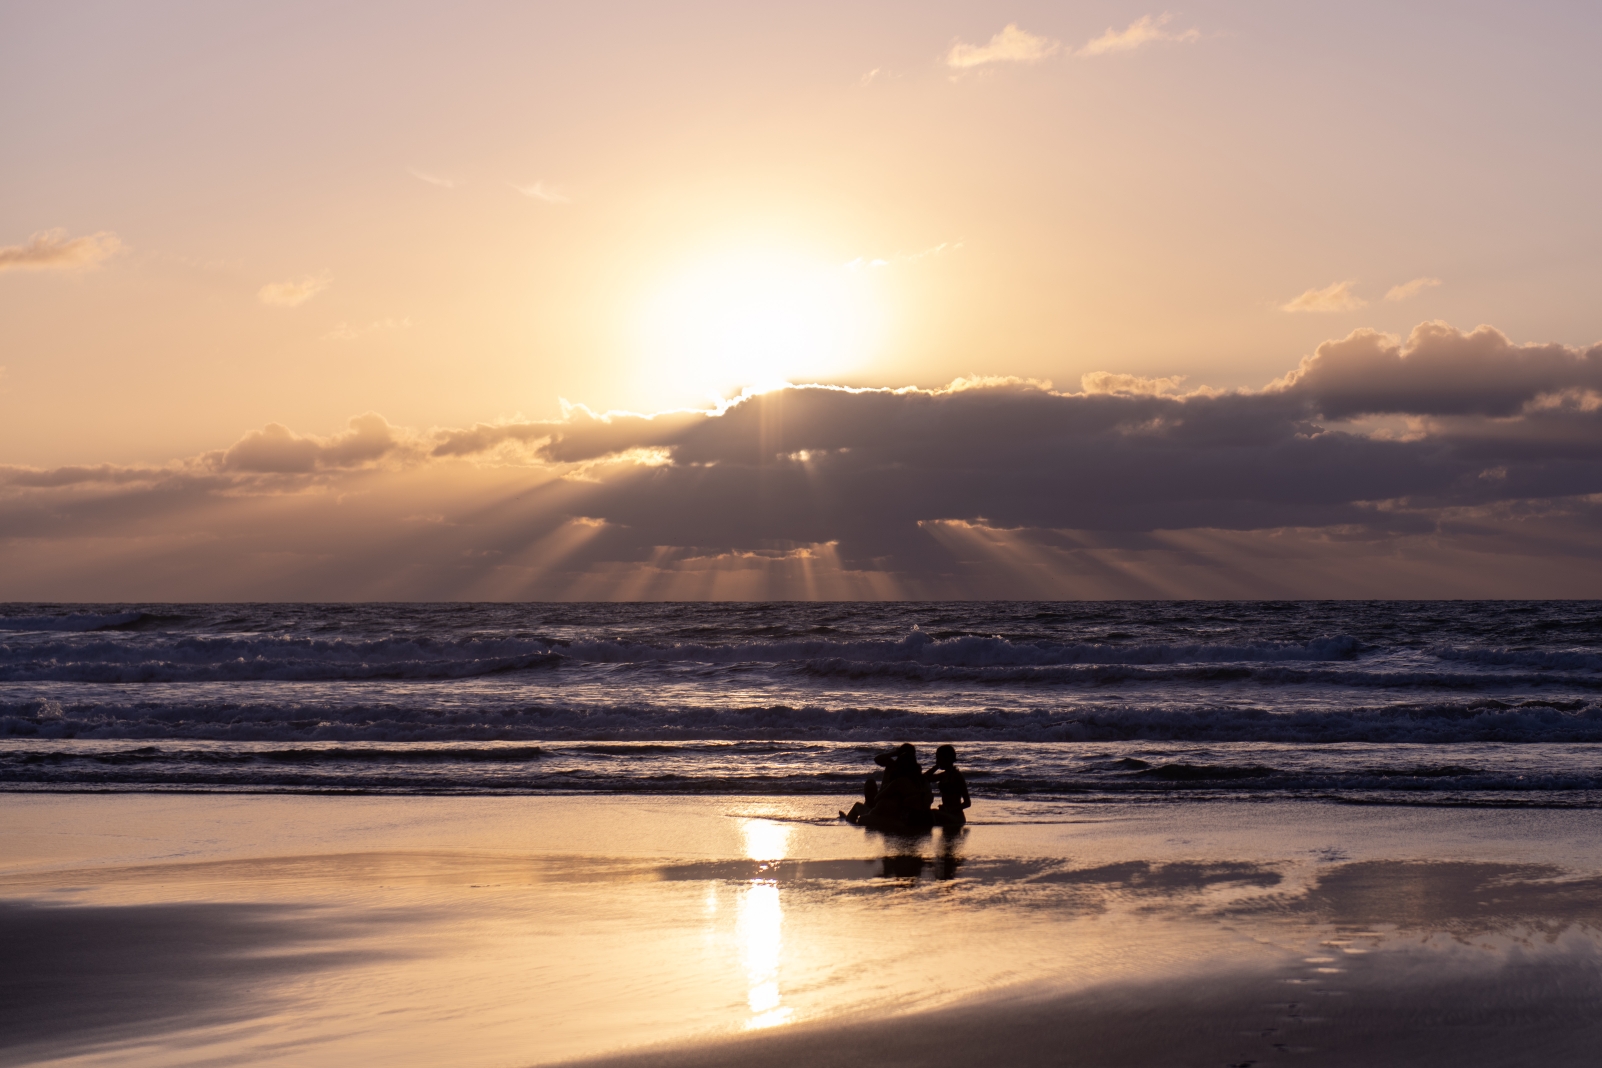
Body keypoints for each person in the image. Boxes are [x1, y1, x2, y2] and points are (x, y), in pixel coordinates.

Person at [841, 744, 934, 832]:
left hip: (894, 813)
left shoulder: (900, 779)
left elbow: (878, 798)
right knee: (870, 785)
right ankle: (851, 816)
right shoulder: (917, 777)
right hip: (898, 810)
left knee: (861, 814)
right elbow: (877, 759)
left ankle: (848, 820)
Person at [926, 744, 971, 830]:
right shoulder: (944, 775)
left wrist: (950, 809)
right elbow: (924, 779)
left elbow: (967, 803)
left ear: (948, 759)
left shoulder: (957, 776)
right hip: (946, 813)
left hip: (956, 816)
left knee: (932, 814)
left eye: (939, 759)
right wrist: (936, 767)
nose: (937, 761)